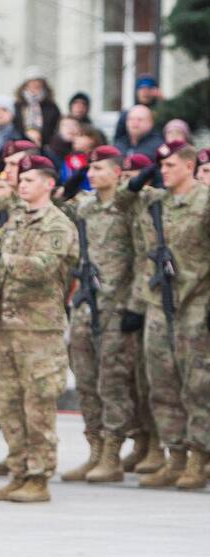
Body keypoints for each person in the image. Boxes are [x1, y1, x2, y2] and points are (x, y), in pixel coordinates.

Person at [115, 141, 209, 489]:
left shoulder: (205, 201)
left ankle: (199, 460)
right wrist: (142, 179)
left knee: (197, 385)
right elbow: (120, 201)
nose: (164, 171)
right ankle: (176, 456)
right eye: (161, 167)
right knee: (162, 385)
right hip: (158, 304)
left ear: (189, 165)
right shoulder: (155, 201)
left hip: (196, 304)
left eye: (170, 165)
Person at [0, 155, 78, 502]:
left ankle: (39, 476)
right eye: (20, 179)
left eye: (29, 180)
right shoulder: (17, 220)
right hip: (7, 325)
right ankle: (19, 470)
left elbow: (42, 267)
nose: (21, 184)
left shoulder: (57, 224)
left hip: (40, 330)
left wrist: (2, 260)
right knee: (10, 404)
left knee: (37, 406)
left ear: (49, 184)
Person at [54, 145, 140, 484]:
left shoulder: (129, 205)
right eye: (90, 168)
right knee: (87, 379)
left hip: (118, 305)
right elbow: (58, 207)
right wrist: (74, 182)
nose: (92, 173)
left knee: (112, 381)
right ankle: (94, 448)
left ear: (117, 172)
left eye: (99, 168)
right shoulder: (85, 205)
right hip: (87, 304)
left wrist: (136, 303)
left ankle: (113, 453)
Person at [13, 68, 61, 149]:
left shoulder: (51, 106)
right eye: (31, 81)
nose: (35, 84)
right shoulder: (17, 105)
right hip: (20, 147)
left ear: (43, 84)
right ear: (26, 84)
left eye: (38, 81)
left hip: (44, 148)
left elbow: (55, 129)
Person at [114, 75, 163, 147]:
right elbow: (118, 139)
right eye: (142, 89)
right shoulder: (127, 114)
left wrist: (163, 101)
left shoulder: (161, 114)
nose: (145, 92)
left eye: (149, 89)